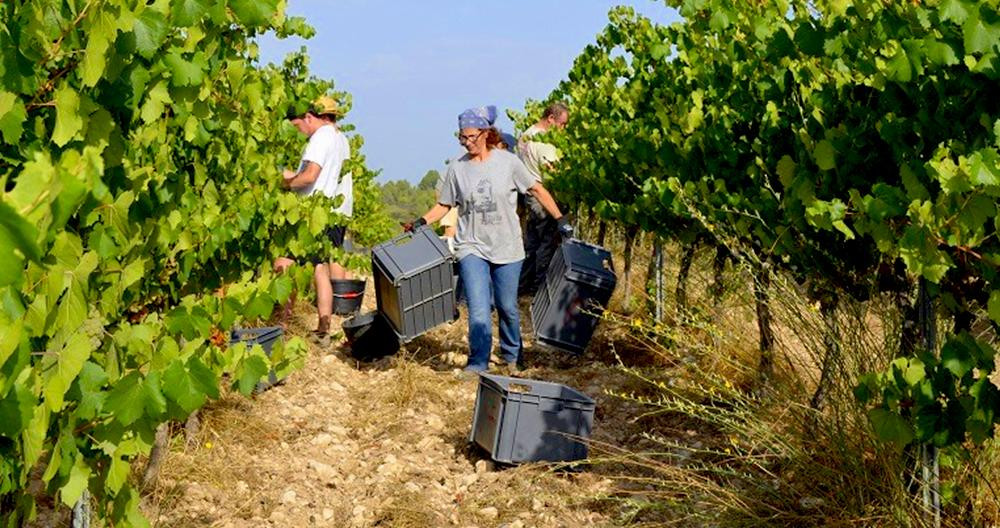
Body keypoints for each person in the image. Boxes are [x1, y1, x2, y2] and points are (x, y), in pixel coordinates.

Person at [408, 106, 572, 375]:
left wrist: (559, 218)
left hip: (507, 246)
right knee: (479, 308)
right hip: (471, 245)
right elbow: (444, 204)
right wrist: (422, 221)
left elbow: (537, 189)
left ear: (485, 133)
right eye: (462, 137)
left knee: (508, 306)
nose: (467, 142)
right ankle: (478, 361)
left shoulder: (508, 163)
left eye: (471, 136)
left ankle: (512, 355)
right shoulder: (458, 169)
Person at [274, 95, 353, 340]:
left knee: (284, 264)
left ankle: (280, 327)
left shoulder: (319, 138)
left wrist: (284, 184)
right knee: (319, 268)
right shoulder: (341, 139)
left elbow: (309, 177)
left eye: (298, 125)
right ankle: (323, 328)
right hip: (336, 215)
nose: (299, 132)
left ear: (309, 117)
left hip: (314, 214)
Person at [517, 102, 569, 297]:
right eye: (562, 124)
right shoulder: (544, 144)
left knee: (531, 244)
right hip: (543, 197)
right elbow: (553, 173)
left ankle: (522, 288)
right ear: (551, 119)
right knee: (546, 244)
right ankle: (538, 290)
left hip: (529, 196)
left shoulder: (526, 135)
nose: (564, 129)